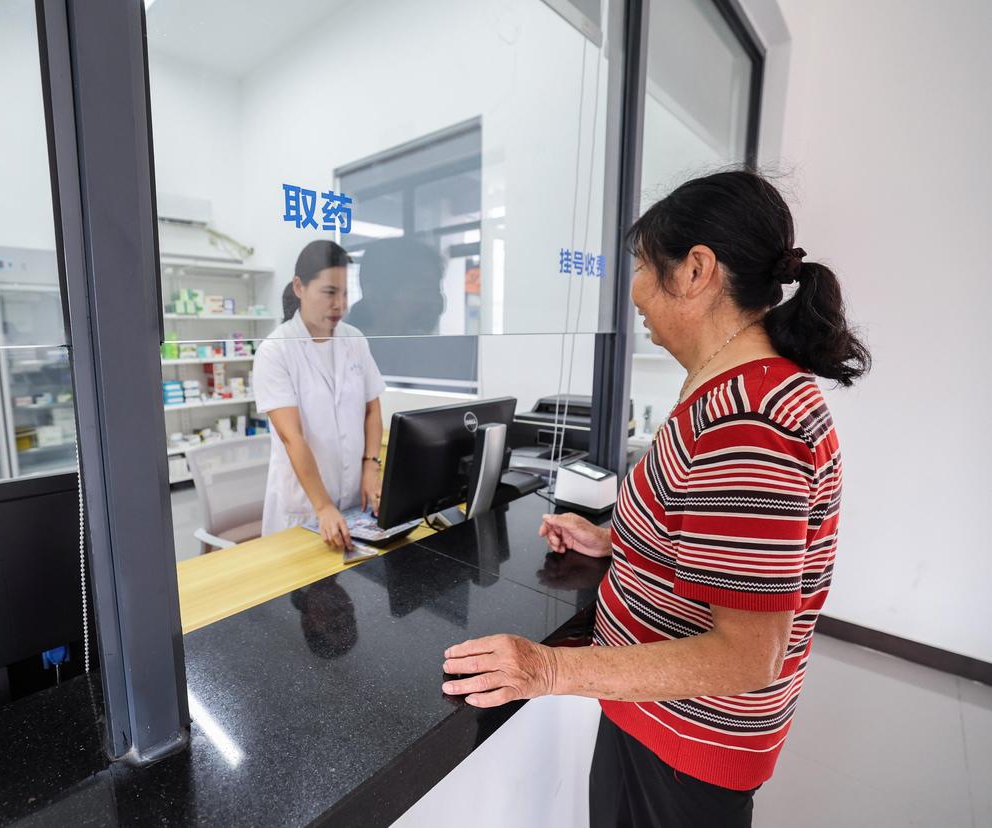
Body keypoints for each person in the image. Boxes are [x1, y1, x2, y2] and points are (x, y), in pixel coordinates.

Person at [438, 170, 870, 827]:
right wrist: (617, 541)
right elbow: (712, 535)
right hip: (656, 723)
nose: (635, 290)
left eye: (642, 266)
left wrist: (547, 669)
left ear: (696, 270)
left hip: (685, 749)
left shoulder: (747, 419)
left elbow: (747, 654)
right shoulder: (732, 389)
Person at [253, 240, 387, 548]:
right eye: (329, 292)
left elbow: (372, 409)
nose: (340, 304)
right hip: (304, 508)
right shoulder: (275, 351)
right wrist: (323, 506)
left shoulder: (354, 340)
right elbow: (292, 437)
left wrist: (371, 465)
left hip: (353, 502)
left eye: (345, 293)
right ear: (299, 287)